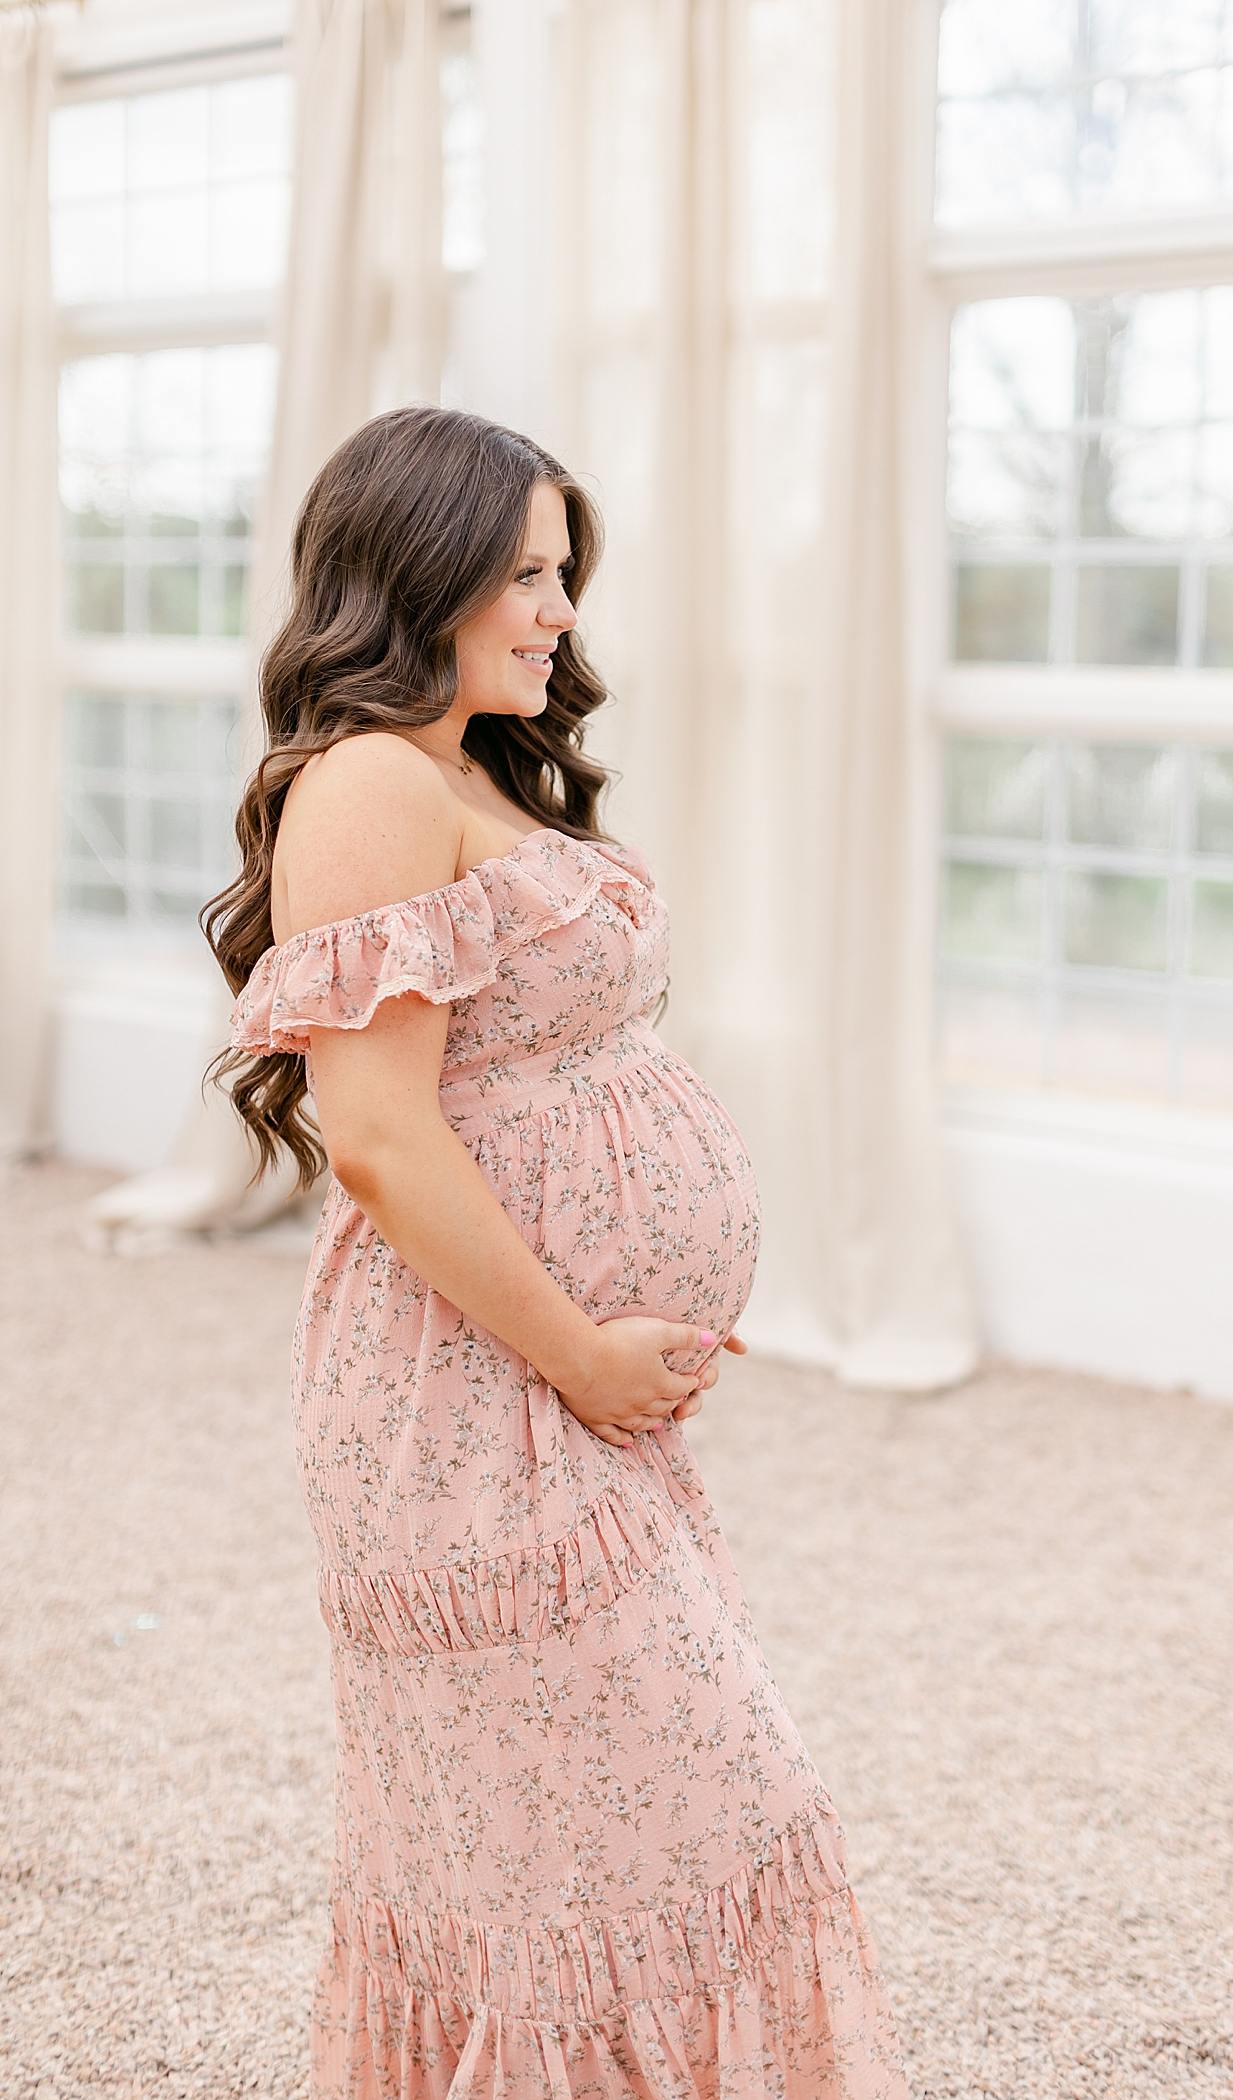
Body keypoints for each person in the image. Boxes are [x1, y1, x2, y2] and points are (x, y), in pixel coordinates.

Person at [207, 406, 908, 2100]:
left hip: (548, 1382)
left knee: (618, 1844)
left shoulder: (463, 773)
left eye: (564, 573)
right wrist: (583, 1348)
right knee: (673, 1819)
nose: (559, 611)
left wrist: (632, 1306)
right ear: (419, 572)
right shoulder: (371, 784)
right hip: (465, 1403)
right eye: (524, 572)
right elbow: (376, 1133)